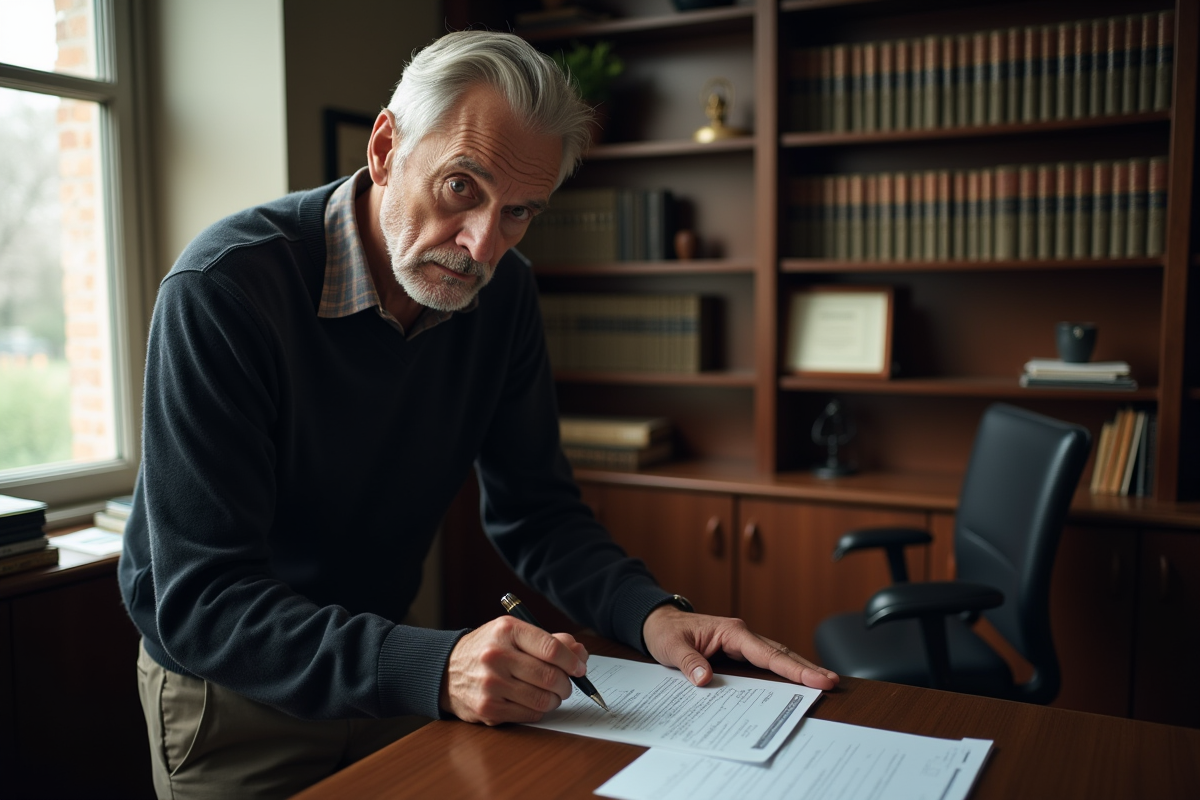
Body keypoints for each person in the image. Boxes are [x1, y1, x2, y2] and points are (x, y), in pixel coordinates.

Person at [117, 30, 838, 800]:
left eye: (521, 211)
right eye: (463, 187)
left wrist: (651, 614)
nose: (482, 246)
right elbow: (201, 600)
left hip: (395, 673)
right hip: (238, 696)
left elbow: (536, 511)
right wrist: (434, 666)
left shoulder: (504, 294)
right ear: (388, 149)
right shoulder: (223, 290)